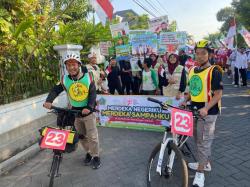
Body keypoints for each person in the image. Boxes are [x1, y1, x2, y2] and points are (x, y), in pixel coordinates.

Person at [43, 53, 101, 169]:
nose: (71, 67)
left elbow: (92, 93)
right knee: (81, 136)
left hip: (87, 112)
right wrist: (49, 101)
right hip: (75, 112)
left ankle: (96, 156)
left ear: (79, 65)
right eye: (68, 65)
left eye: (74, 64)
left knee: (92, 136)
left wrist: (89, 107)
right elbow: (55, 90)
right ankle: (89, 153)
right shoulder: (65, 79)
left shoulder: (88, 77)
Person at [183, 40, 223, 187]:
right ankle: (205, 163)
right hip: (194, 111)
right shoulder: (192, 70)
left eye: (203, 53)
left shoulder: (215, 71)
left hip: (208, 112)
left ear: (210, 54)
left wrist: (206, 108)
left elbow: (218, 94)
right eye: (197, 53)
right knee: (199, 141)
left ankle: (200, 174)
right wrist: (185, 99)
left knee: (204, 142)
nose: (199, 56)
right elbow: (192, 89)